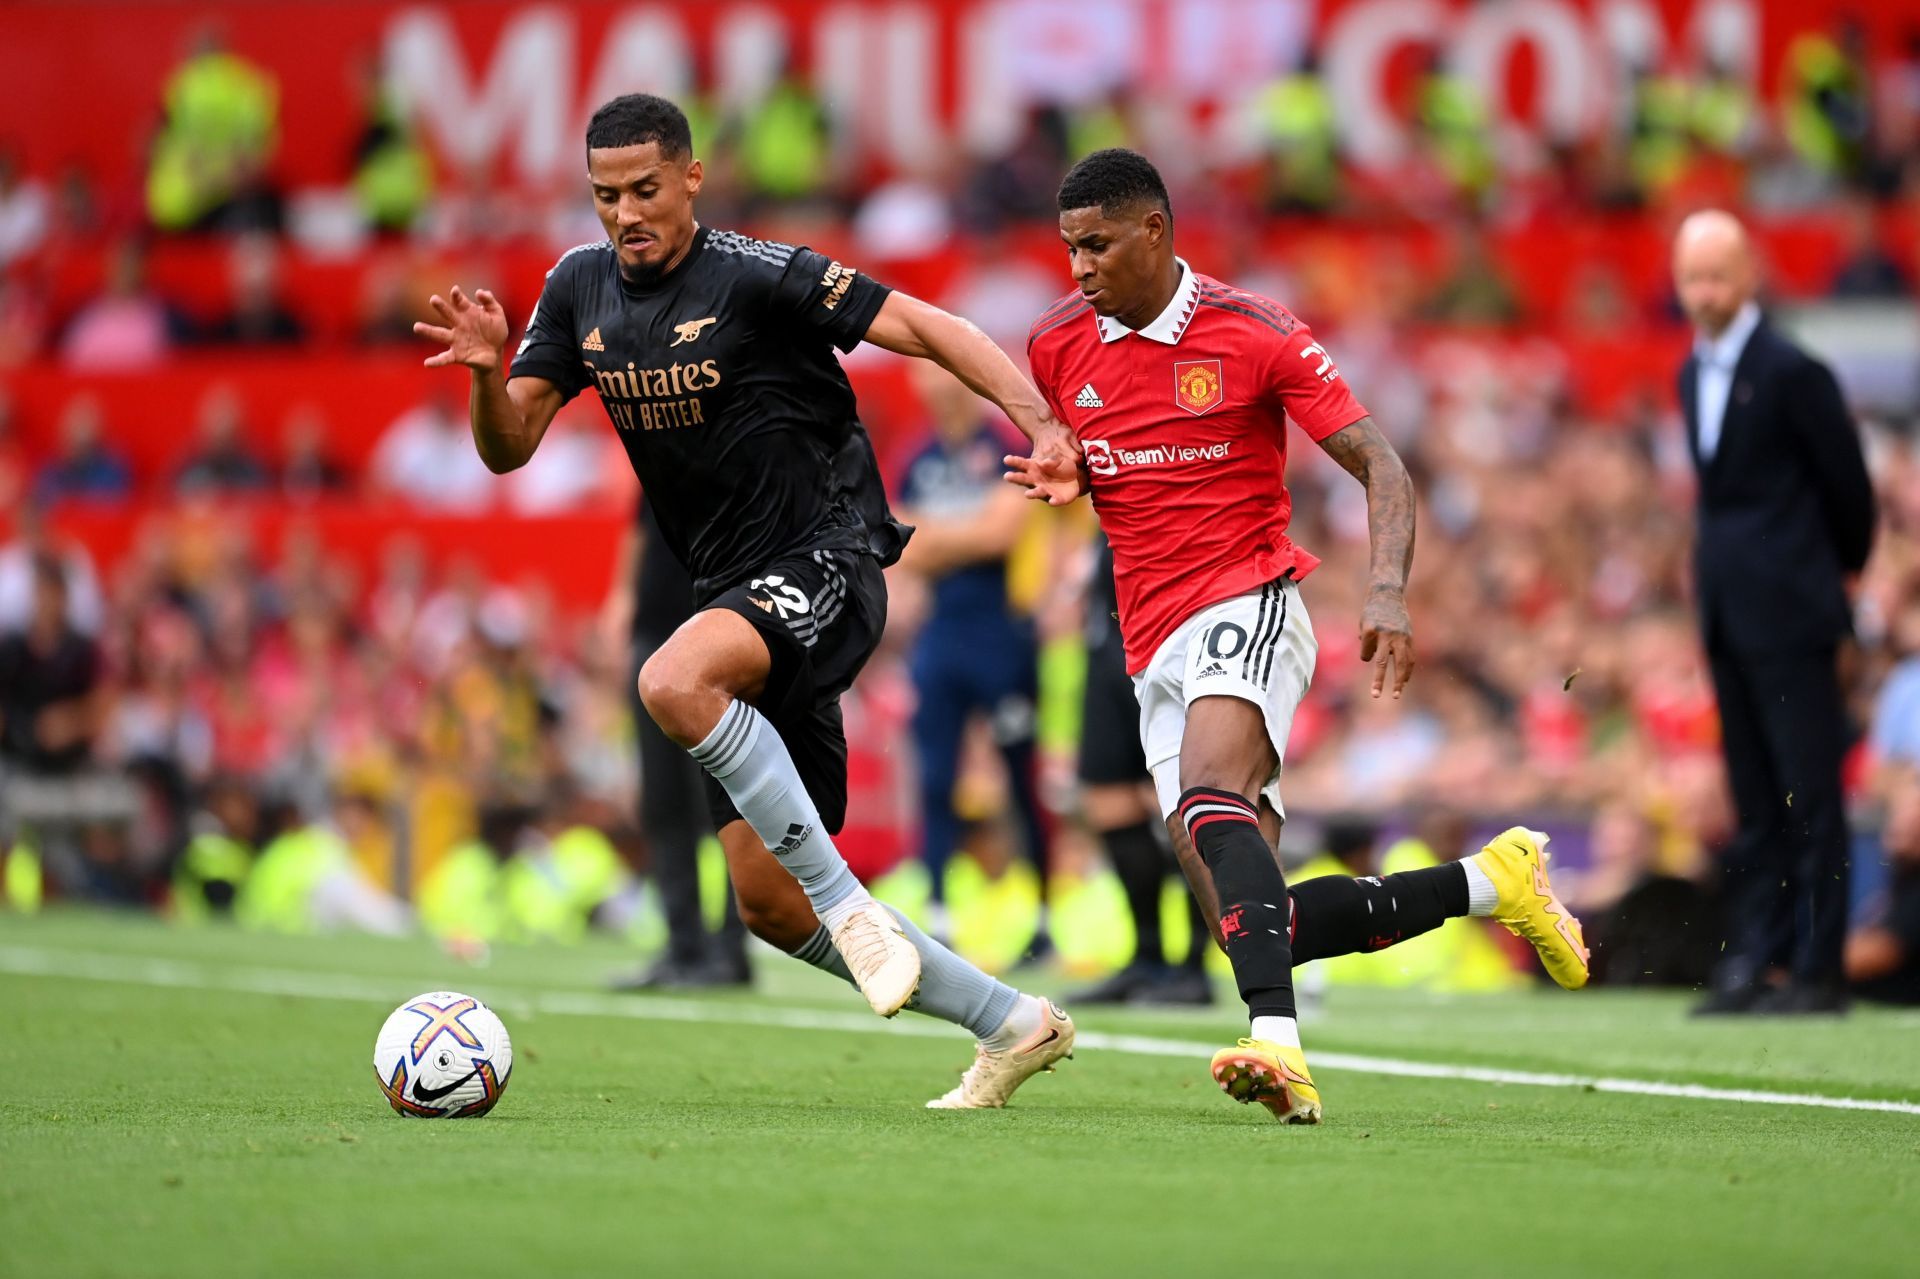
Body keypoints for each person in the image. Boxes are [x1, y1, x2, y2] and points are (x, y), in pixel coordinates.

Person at [414, 94, 1075, 1109]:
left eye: (643, 190)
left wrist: (1042, 423)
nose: (625, 214)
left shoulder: (761, 274)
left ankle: (849, 901)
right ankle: (1015, 1023)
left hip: (832, 558)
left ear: (690, 178)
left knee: (671, 677)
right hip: (741, 603)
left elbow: (929, 327)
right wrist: (483, 378)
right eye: (604, 196)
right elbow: (510, 447)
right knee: (767, 903)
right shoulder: (577, 288)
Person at [1008, 149, 1588, 1123]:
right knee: (1248, 919)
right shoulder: (1058, 346)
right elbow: (1087, 458)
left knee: (1207, 798)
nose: (1080, 269)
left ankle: (1278, 1044)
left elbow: (1381, 462)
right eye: (1069, 249)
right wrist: (1069, 477)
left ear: (1155, 230)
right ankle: (1492, 881)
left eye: (1097, 245)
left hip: (1250, 597)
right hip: (1147, 633)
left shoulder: (1258, 332)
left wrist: (1389, 590)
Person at [1673, 210, 1876, 1016]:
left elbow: (1849, 493)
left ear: (1751, 273)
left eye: (1718, 275)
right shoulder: (1691, 373)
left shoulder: (1793, 369)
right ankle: (1757, 958)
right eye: (1692, 279)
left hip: (1792, 613)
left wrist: (1831, 582)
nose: (1705, 294)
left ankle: (1819, 967)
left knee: (1810, 795)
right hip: (1728, 612)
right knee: (1755, 797)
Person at [893, 360, 1054, 959]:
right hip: (941, 635)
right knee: (934, 775)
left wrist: (933, 536)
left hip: (1003, 634)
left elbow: (1002, 535)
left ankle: (1042, 915)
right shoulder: (919, 455)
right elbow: (895, 540)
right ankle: (937, 911)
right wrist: (961, 530)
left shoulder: (1006, 447)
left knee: (1020, 776)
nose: (936, 389)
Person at [607, 499, 750, 990]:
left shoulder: (741, 443)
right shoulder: (662, 434)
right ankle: (682, 947)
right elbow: (642, 520)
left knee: (718, 801)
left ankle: (731, 948)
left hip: (716, 634)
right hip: (654, 629)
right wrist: (623, 595)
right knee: (663, 799)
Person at [1066, 532, 1214, 1006]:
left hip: (1169, 637)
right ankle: (1146, 956)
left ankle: (1194, 965)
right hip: (1107, 639)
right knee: (1109, 801)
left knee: (1186, 798)